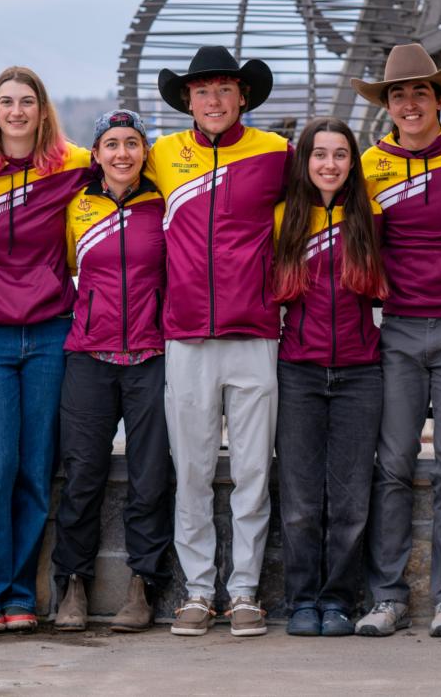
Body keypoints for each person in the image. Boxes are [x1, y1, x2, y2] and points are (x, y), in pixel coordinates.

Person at [148, 45, 289, 638]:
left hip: (255, 332)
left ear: (244, 97)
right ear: (187, 98)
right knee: (194, 472)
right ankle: (199, 591)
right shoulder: (159, 154)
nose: (213, 99)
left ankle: (246, 591)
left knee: (254, 471)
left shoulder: (277, 154)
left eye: (224, 89)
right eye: (201, 89)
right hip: (185, 336)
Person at [353, 44, 441, 639]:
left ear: (439, 99)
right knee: (392, 466)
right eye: (398, 94)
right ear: (387, 105)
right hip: (397, 327)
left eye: (420, 92)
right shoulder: (367, 166)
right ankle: (387, 596)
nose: (409, 103)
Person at [0, 66, 93, 633]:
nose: (17, 111)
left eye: (27, 102)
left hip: (49, 331)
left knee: (37, 470)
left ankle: (19, 592)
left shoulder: (73, 164)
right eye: (6, 102)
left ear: (43, 110)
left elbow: (130, 163)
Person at [51, 109, 174, 634]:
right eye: (111, 144)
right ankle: (72, 585)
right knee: (81, 476)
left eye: (132, 143)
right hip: (88, 356)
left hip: (152, 356)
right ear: (96, 154)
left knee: (150, 479)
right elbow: (63, 268)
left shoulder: (164, 203)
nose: (122, 153)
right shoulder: (74, 206)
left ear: (145, 151)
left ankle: (142, 585)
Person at [272, 117, 387, 638]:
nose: (330, 164)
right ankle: (302, 601)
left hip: (361, 374)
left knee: (349, 500)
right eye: (320, 154)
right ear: (304, 161)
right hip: (298, 371)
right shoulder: (283, 219)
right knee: (299, 501)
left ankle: (338, 600)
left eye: (341, 155)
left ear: (352, 162)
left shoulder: (371, 215)